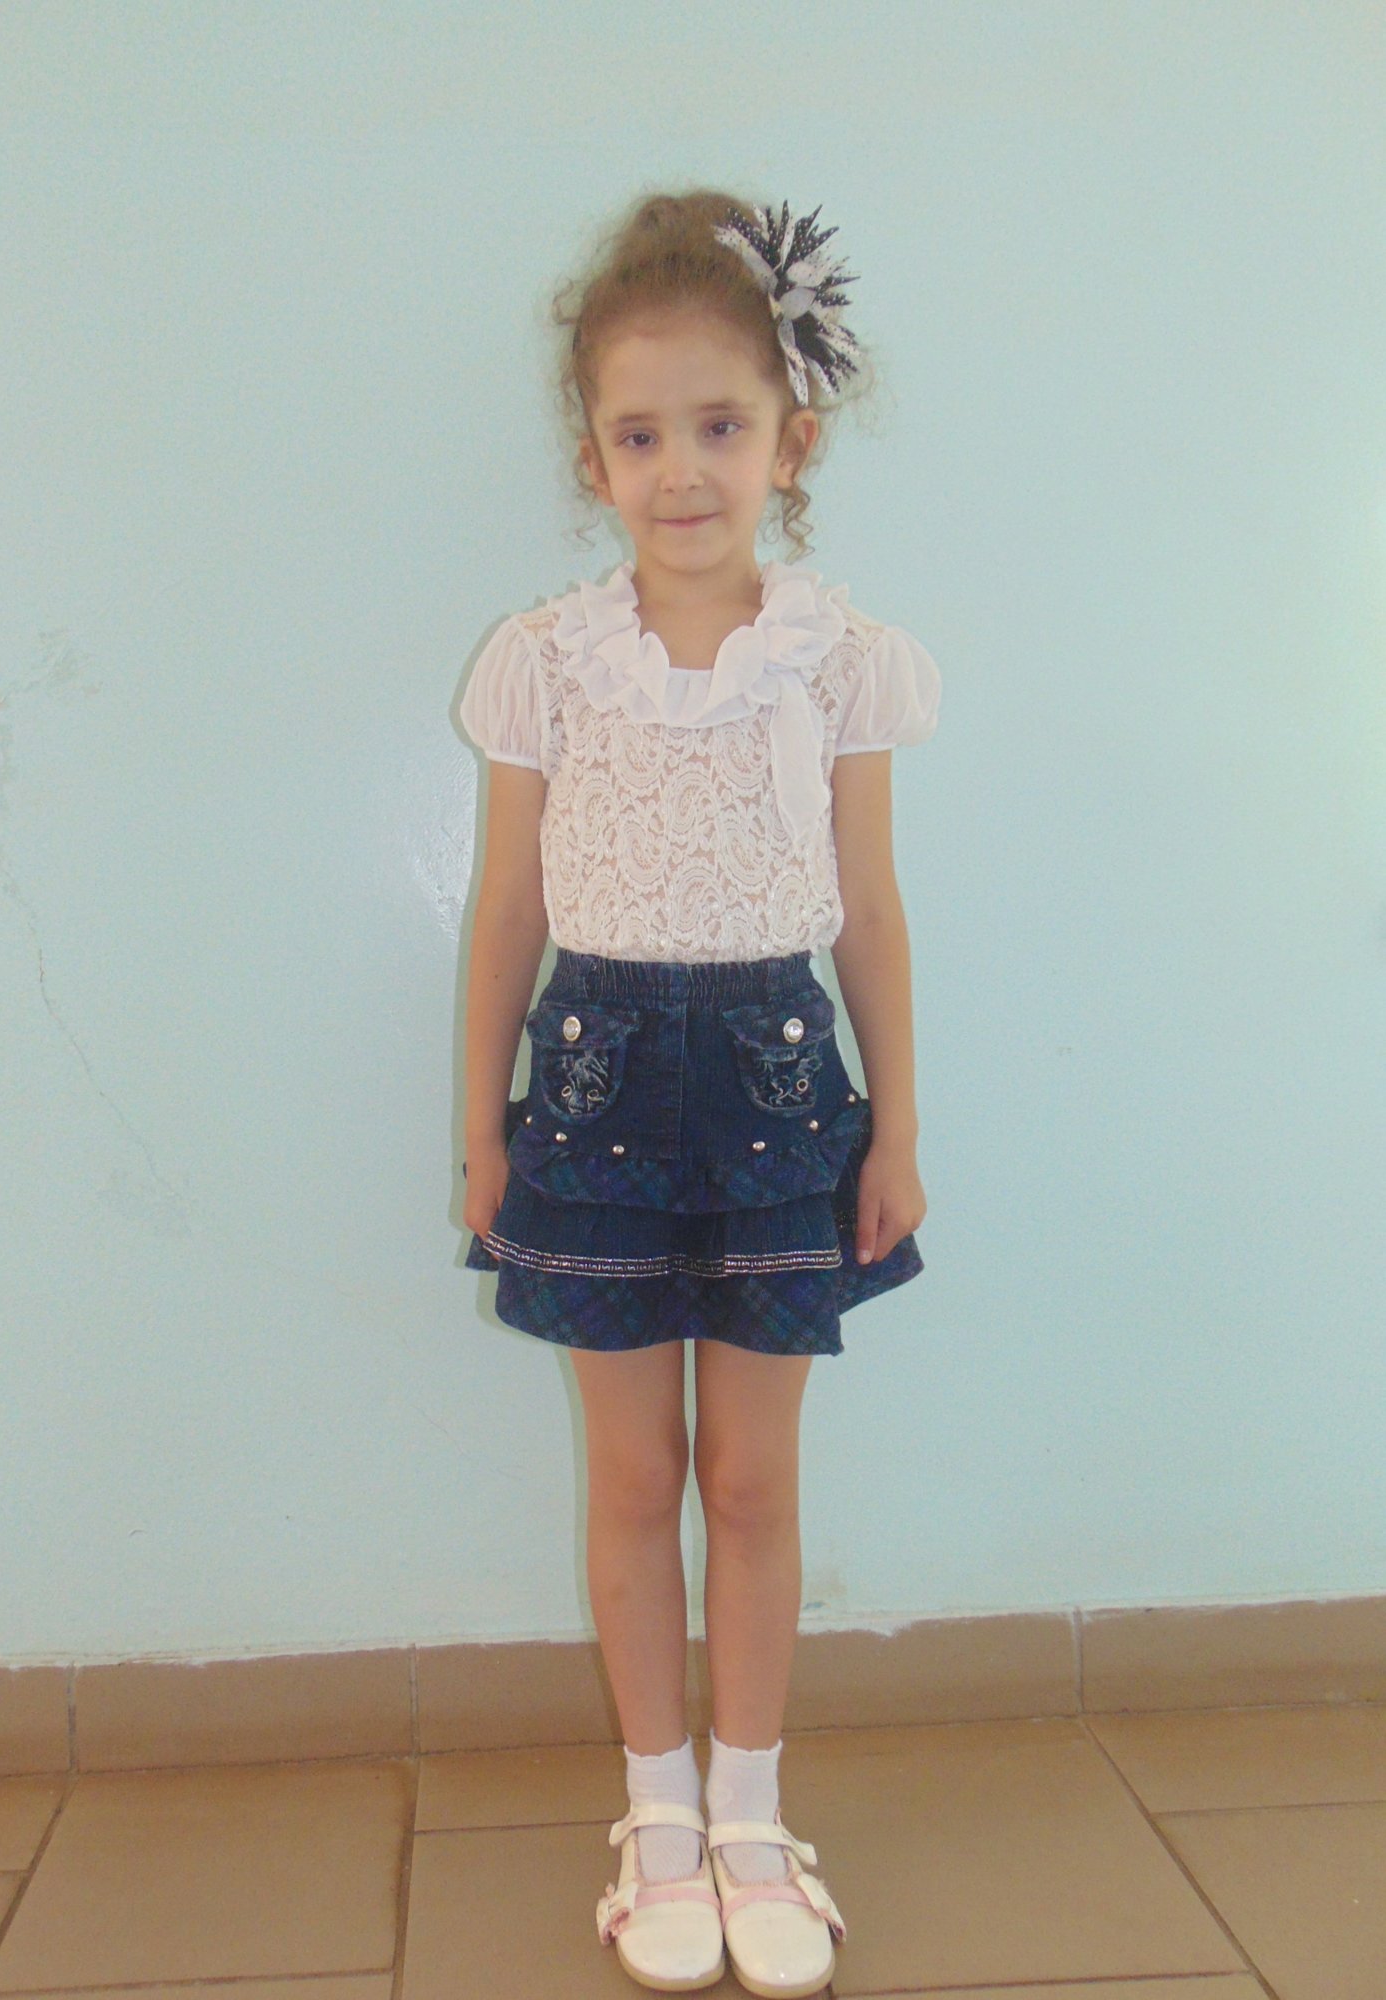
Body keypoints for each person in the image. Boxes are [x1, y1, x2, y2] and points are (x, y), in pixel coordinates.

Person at [455, 187, 940, 1996]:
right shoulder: (546, 662)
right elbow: (508, 909)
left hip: (776, 1085)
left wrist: (898, 1124)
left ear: (790, 440)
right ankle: (654, 1814)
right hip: (590, 1083)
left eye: (720, 425)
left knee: (747, 1477)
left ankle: (749, 1815)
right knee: (631, 1473)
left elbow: (869, 905)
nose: (682, 470)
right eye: (641, 434)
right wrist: (482, 1125)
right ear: (595, 458)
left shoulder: (841, 659)